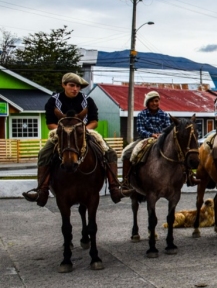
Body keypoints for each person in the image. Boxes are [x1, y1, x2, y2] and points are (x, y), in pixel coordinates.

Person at [22, 73, 124, 206]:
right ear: (63, 85)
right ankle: (42, 190)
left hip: (85, 131)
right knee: (43, 154)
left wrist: (83, 130)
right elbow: (50, 123)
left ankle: (114, 187)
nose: (75, 88)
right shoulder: (53, 101)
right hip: (60, 133)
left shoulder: (88, 100)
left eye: (78, 86)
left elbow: (94, 121)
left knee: (110, 152)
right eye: (71, 85)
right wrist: (63, 131)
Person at [121, 91, 174, 196]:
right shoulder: (142, 114)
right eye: (152, 101)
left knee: (178, 151)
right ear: (147, 103)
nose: (154, 103)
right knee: (127, 152)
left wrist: (161, 135)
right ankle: (126, 181)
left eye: (156, 101)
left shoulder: (164, 115)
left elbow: (168, 128)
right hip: (144, 139)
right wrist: (151, 134)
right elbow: (140, 129)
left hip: (162, 139)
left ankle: (188, 176)